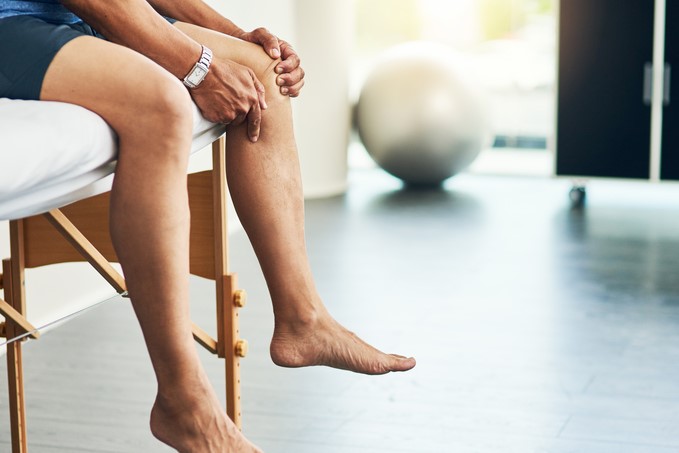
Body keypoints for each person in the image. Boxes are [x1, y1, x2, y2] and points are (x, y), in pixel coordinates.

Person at [0, 0, 416, 451]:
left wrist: (242, 37)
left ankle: (303, 319)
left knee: (263, 71)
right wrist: (200, 69)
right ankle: (183, 402)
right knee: (163, 105)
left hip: (71, 17)